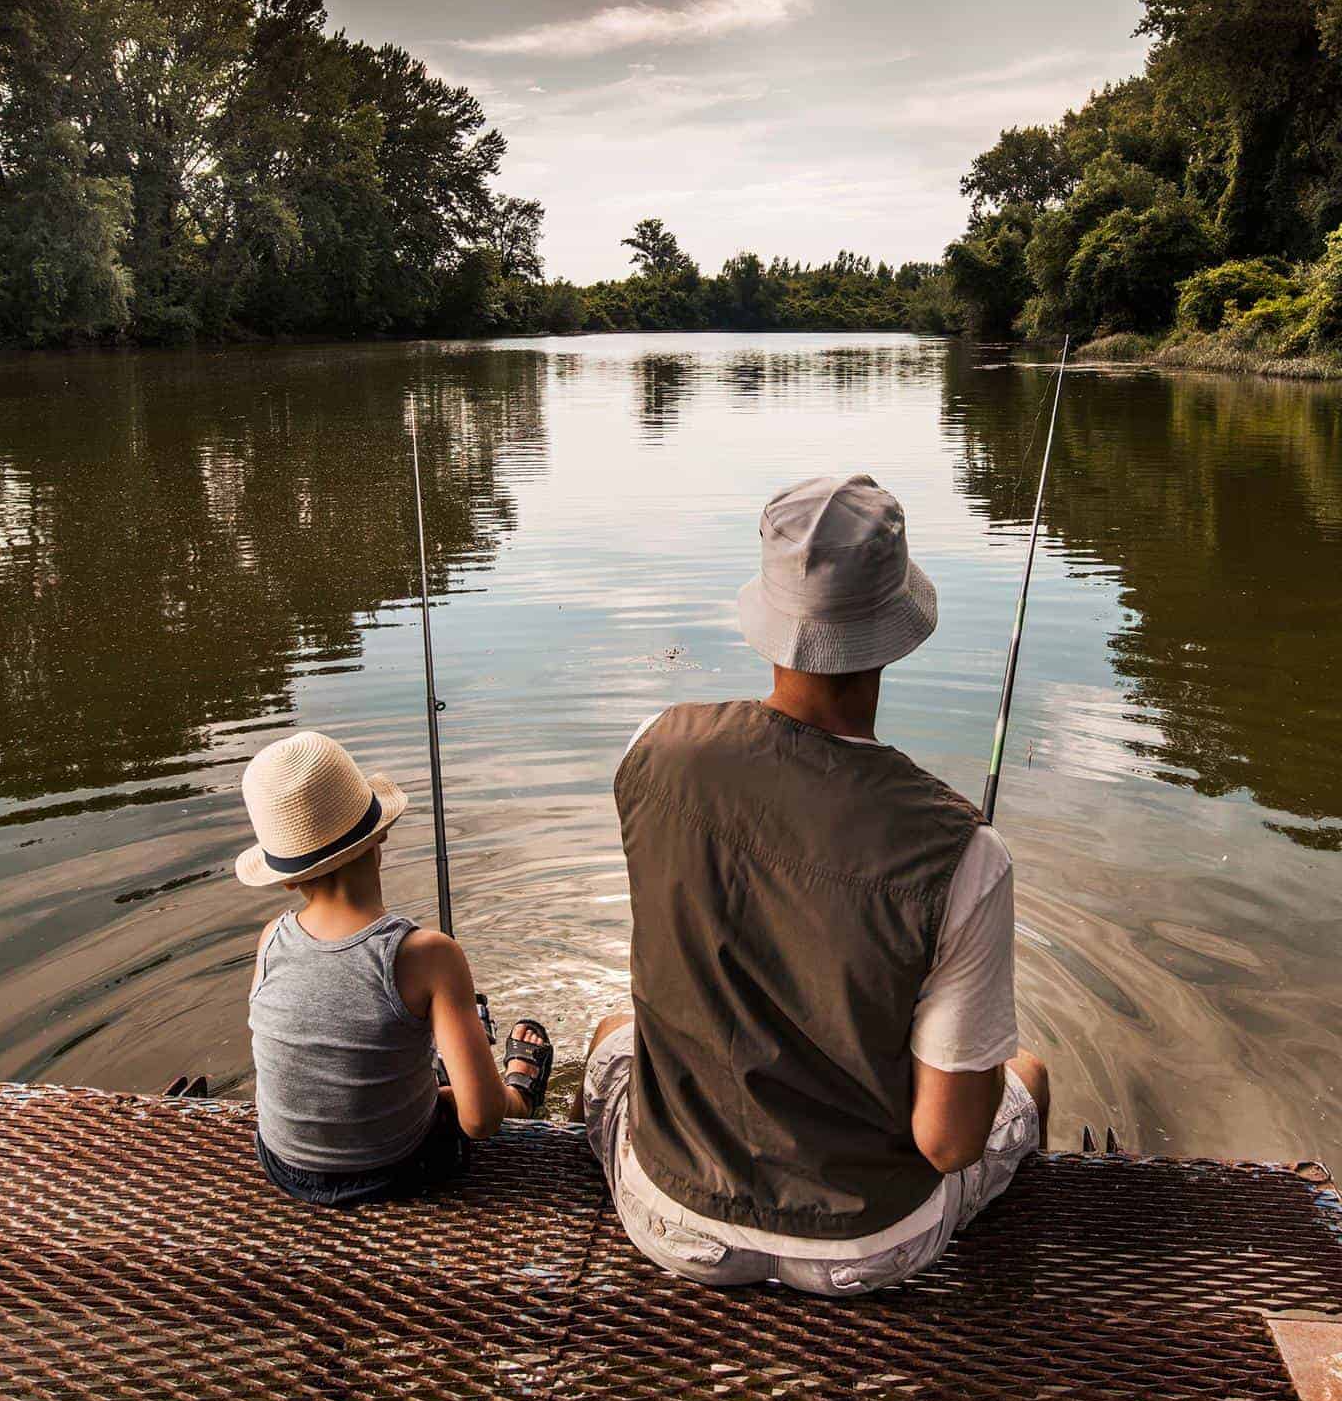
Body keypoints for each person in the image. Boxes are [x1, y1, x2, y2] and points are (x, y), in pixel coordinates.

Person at [576, 474, 1050, 1296]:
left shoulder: (651, 749)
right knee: (1029, 1075)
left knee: (614, 1029)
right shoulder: (966, 853)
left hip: (672, 1222)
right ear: (895, 631)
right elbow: (947, 1145)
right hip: (866, 1249)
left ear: (769, 615)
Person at [240, 728, 551, 1206]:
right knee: (474, 1101)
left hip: (285, 1166)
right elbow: (480, 1123)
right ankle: (519, 1092)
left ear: (286, 880)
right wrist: (488, 1100)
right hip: (397, 1171)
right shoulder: (428, 955)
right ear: (380, 835)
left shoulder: (270, 940)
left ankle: (440, 1072)